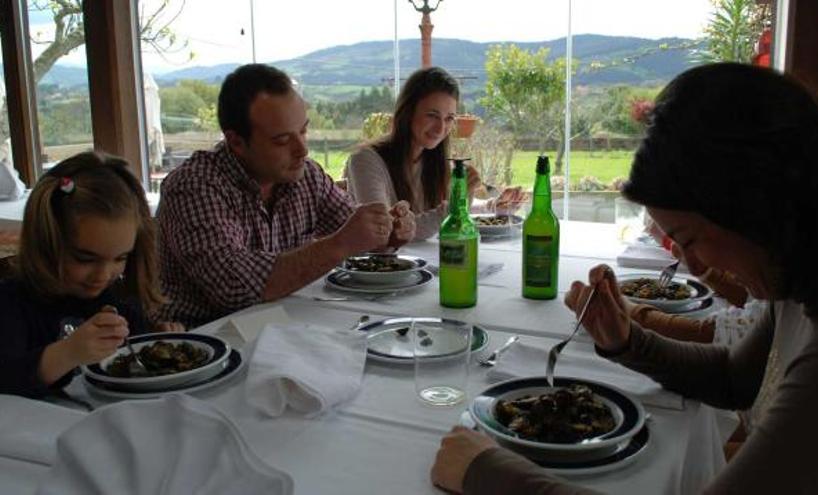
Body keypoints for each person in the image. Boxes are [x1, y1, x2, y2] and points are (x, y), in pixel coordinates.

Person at [431, 63, 818, 493]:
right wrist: (627, 341)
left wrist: (490, 473)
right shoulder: (812, 270)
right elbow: (735, 378)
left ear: (755, 205)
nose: (697, 267)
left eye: (691, 238)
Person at [158, 64, 416, 327]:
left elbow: (357, 232)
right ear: (236, 142)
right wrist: (340, 244)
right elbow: (234, 289)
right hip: (201, 342)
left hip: (279, 323)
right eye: (282, 140)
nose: (302, 150)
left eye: (303, 131)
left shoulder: (305, 176)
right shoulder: (194, 186)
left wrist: (388, 230)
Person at [0, 152, 182, 399]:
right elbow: (7, 380)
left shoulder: (119, 298)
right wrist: (67, 353)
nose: (104, 274)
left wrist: (154, 343)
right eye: (85, 259)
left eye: (120, 258)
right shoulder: (12, 303)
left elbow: (131, 363)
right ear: (47, 243)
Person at [345, 66, 526, 240]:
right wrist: (458, 202)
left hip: (422, 263)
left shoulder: (432, 160)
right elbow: (387, 230)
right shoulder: (366, 161)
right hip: (376, 269)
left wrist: (493, 206)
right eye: (432, 115)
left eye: (449, 118)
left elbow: (435, 213)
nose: (441, 128)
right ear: (408, 112)